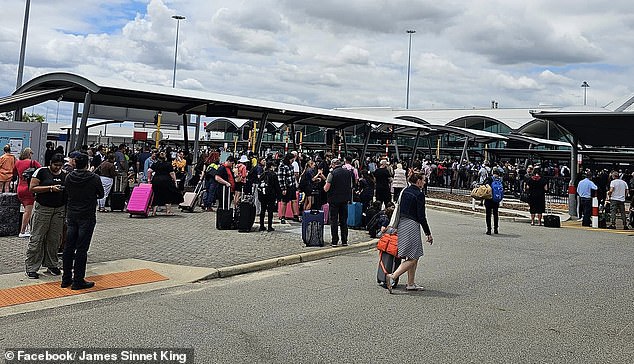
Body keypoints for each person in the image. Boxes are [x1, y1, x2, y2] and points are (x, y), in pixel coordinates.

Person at [385, 173, 433, 294]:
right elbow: (421, 216)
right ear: (418, 181)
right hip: (412, 225)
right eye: (423, 180)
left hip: (402, 224)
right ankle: (393, 276)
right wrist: (428, 233)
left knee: (412, 256)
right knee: (414, 257)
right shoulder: (419, 195)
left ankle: (410, 283)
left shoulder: (404, 191)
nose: (424, 182)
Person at [62, 153, 104, 290]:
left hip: (72, 214)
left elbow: (65, 193)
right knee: (81, 249)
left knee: (69, 247)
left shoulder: (69, 177)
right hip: (87, 215)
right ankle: (78, 280)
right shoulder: (94, 178)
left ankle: (65, 278)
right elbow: (101, 194)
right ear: (87, 164)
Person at [24, 153, 67, 279]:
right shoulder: (41, 172)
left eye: (59, 165)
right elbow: (32, 188)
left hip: (58, 209)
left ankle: (52, 264)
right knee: (37, 238)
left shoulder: (64, 174)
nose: (57, 168)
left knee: (54, 239)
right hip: (43, 209)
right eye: (55, 165)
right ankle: (32, 267)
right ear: (50, 163)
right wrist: (50, 188)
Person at [324, 158, 353, 247]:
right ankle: (344, 240)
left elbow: (326, 188)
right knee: (343, 221)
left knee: (334, 221)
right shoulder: (348, 173)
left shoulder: (331, 174)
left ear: (333, 164)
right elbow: (351, 186)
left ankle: (335, 241)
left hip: (334, 200)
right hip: (344, 199)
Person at [13, 147, 42, 238]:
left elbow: (14, 173)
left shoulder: (17, 163)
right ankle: (22, 231)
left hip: (20, 188)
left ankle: (29, 228)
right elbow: (42, 171)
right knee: (28, 211)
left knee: (26, 209)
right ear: (29, 154)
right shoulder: (33, 163)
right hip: (29, 189)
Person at [257, 161, 281, 232]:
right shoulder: (273, 175)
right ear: (271, 166)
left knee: (263, 210)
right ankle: (269, 226)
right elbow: (277, 186)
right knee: (270, 211)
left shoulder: (262, 174)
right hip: (271, 195)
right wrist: (279, 195)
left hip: (263, 194)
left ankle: (261, 226)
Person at [277, 153, 300, 223]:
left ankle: (295, 215)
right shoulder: (282, 166)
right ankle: (283, 217)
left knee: (294, 200)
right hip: (286, 186)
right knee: (284, 202)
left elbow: (293, 176)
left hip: (292, 186)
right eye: (291, 159)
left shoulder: (291, 166)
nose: (292, 161)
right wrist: (283, 188)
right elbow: (281, 178)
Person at [483, 168, 502, 235]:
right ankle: (496, 229)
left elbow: (485, 185)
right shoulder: (499, 180)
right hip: (496, 199)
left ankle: (489, 229)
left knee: (488, 215)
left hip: (489, 199)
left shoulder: (489, 179)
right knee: (495, 214)